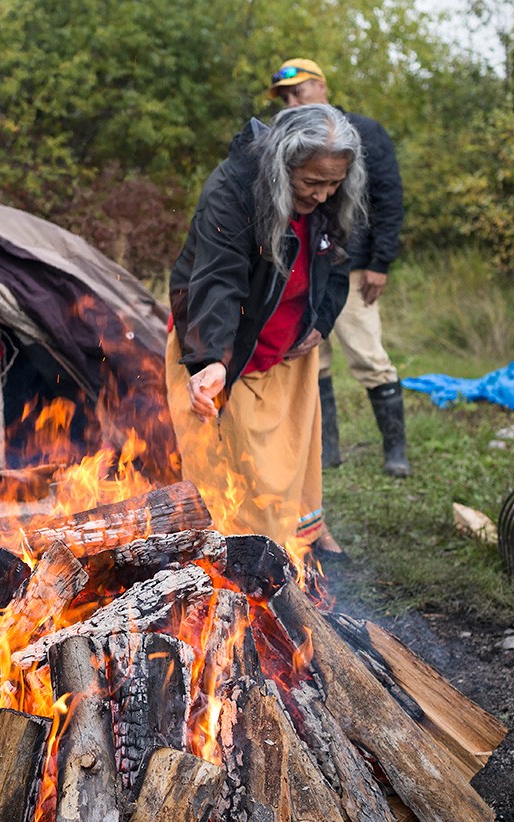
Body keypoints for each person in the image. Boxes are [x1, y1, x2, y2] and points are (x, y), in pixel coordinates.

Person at [165, 104, 366, 553]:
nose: (322, 195)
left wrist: (321, 320)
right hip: (223, 339)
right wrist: (209, 359)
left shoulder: (332, 197)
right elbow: (217, 278)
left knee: (290, 457)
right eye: (312, 182)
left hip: (289, 344)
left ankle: (291, 546)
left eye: (333, 184)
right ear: (282, 163)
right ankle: (231, 564)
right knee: (235, 465)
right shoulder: (232, 188)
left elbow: (337, 260)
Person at [271, 58, 410, 477]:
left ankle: (395, 452)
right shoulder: (286, 141)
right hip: (303, 272)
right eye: (285, 98)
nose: (292, 102)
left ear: (322, 87)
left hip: (352, 267)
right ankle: (325, 450)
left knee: (369, 357)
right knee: (316, 361)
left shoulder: (365, 132)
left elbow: (389, 198)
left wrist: (380, 261)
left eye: (299, 92)